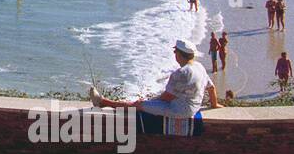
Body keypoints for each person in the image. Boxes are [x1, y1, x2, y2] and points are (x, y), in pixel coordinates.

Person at [90, 39, 219, 116]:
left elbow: (166, 98)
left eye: (175, 52)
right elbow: (211, 88)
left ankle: (103, 102)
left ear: (179, 54)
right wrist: (215, 104)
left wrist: (147, 101)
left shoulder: (181, 73)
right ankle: (104, 101)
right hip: (193, 106)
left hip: (179, 110)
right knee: (142, 102)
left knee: (137, 105)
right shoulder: (199, 67)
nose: (174, 54)